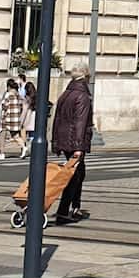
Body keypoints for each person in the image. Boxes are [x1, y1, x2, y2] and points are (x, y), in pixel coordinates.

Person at [51, 65, 93, 224]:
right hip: (74, 141)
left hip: (63, 139)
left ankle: (74, 207)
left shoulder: (65, 93)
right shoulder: (82, 96)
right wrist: (78, 147)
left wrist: (55, 142)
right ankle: (64, 211)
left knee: (78, 173)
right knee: (75, 175)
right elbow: (80, 122)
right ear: (86, 77)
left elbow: (57, 119)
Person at [0, 78, 24, 160]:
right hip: (15, 118)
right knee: (15, 135)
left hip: (7, 117)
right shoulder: (18, 96)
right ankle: (24, 147)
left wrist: (0, 117)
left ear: (8, 86)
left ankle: (2, 153)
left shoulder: (8, 94)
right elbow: (21, 106)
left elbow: (4, 106)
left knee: (2, 135)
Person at [19, 79, 36, 159]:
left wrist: (21, 122)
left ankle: (28, 149)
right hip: (36, 118)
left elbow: (24, 111)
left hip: (29, 118)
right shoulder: (37, 97)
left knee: (29, 136)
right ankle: (33, 150)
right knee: (34, 135)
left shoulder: (26, 99)